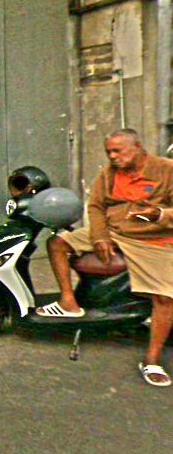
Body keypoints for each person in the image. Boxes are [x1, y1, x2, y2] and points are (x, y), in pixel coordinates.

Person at [35, 128, 173, 387]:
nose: (112, 157)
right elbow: (97, 206)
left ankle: (152, 360)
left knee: (165, 298)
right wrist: (100, 237)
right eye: (109, 152)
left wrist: (159, 215)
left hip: (151, 241)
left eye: (117, 151)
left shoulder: (166, 170)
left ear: (137, 147)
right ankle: (68, 302)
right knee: (58, 243)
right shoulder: (110, 173)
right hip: (114, 232)